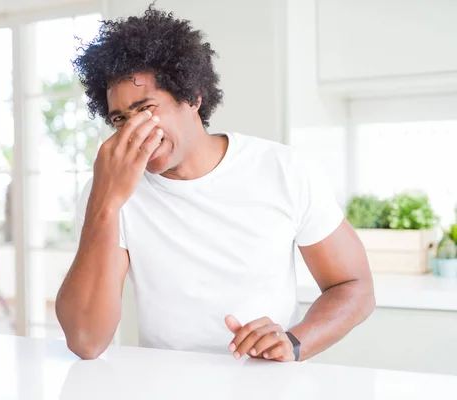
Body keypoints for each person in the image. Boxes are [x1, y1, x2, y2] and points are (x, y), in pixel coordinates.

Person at [55, 6, 374, 361]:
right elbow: (85, 340)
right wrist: (106, 202)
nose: (134, 131)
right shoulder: (109, 194)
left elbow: (353, 286)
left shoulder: (284, 169)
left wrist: (294, 342)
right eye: (120, 119)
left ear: (191, 97)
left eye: (146, 109)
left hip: (266, 385)